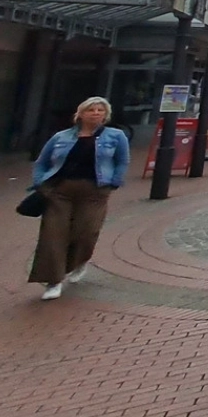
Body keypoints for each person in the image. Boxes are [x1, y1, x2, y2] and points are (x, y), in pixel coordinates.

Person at [28, 96, 130, 300]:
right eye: (91, 110)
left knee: (86, 231)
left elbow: (122, 161)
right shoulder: (61, 137)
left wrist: (114, 181)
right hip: (60, 191)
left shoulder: (116, 136)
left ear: (106, 115)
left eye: (100, 110)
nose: (96, 113)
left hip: (95, 191)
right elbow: (42, 162)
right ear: (80, 113)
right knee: (53, 235)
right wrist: (40, 182)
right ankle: (53, 281)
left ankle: (79, 261)